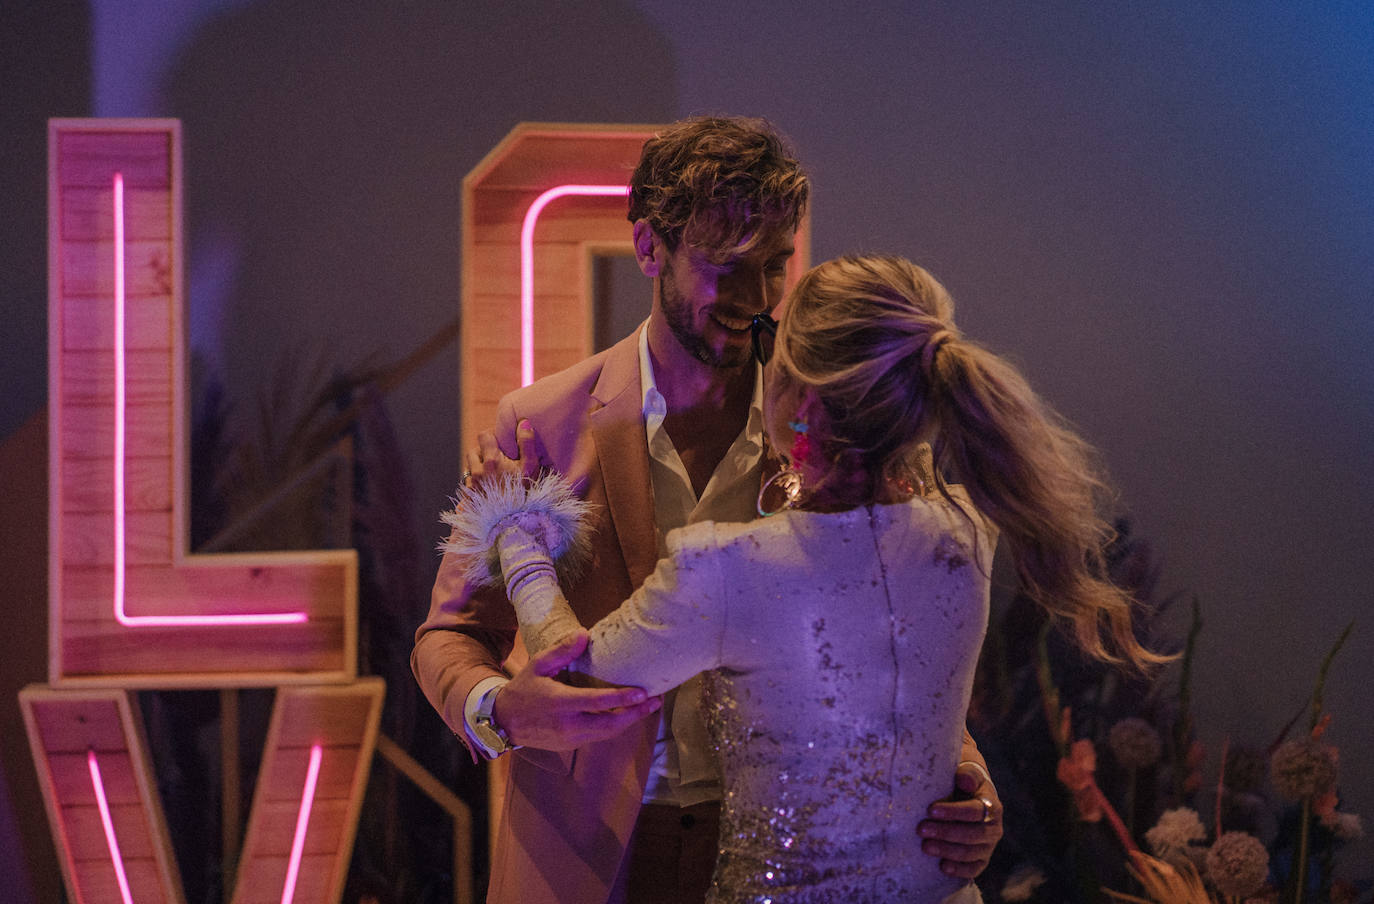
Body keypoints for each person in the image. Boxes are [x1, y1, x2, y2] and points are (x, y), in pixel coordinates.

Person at [448, 254, 1167, 903]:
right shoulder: (966, 539)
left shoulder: (728, 567)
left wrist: (516, 531)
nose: (755, 307)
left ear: (805, 398)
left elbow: (570, 671)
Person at [412, 117, 1002, 904]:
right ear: (650, 247)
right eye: (727, 267)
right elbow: (449, 633)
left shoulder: (848, 433)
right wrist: (502, 711)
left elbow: (893, 651)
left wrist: (964, 780)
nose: (758, 301)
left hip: (783, 859)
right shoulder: (540, 422)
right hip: (581, 859)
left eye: (775, 265)